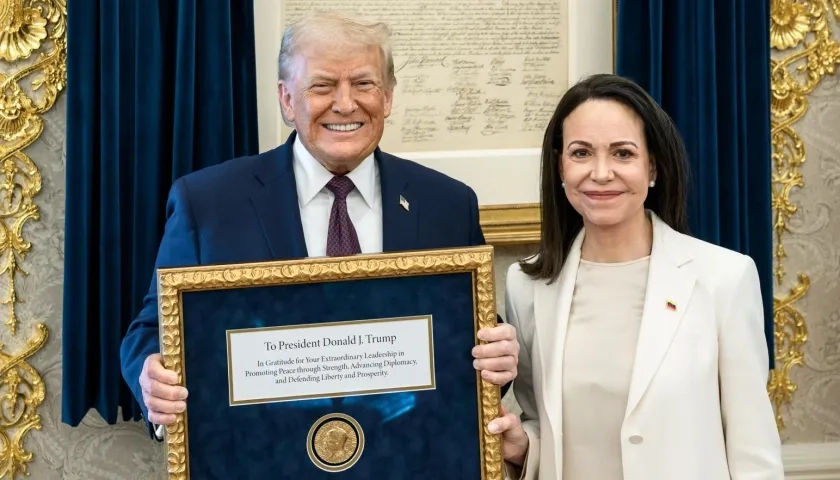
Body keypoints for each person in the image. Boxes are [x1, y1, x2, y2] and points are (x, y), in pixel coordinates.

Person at [119, 11, 518, 440]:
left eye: (364, 84)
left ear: (387, 97)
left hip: (406, 454)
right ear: (287, 99)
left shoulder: (447, 204)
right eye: (322, 86)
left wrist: (497, 359)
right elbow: (154, 328)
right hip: (259, 455)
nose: (345, 104)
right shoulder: (209, 203)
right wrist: (153, 378)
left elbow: (471, 336)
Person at [492, 74, 784, 479]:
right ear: (559, 166)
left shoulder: (724, 279)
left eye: (623, 154)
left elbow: (753, 449)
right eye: (581, 153)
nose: (600, 173)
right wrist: (523, 447)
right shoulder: (526, 285)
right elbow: (542, 423)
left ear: (653, 168)